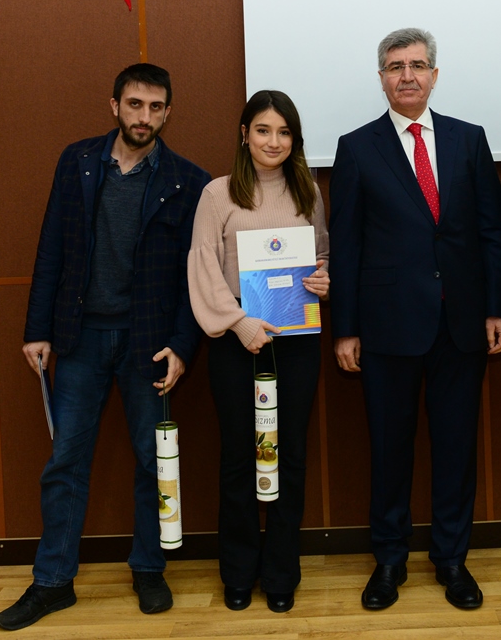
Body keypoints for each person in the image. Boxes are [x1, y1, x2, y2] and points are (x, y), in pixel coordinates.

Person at [0, 63, 211, 631]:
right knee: (65, 461)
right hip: (80, 338)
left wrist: (182, 346)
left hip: (150, 344)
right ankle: (53, 582)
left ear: (168, 112)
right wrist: (36, 329)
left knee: (153, 462)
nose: (144, 116)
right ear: (114, 106)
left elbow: (195, 276)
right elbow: (51, 247)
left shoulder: (189, 181)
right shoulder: (77, 162)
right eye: (135, 104)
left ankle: (149, 569)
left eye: (156, 107)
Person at [330, 28, 501, 611]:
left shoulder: (468, 139)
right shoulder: (356, 148)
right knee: (390, 449)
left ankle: (452, 559)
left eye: (416, 65)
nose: (406, 75)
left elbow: (489, 232)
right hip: (386, 326)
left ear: (434, 74)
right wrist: (346, 328)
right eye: (395, 66)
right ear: (381, 78)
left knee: (456, 448)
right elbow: (347, 246)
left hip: (461, 323)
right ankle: (389, 560)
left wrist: (496, 307)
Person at [188, 90, 329, 614]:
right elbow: (203, 266)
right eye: (264, 130)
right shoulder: (217, 195)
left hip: (297, 346)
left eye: (284, 132)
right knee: (238, 459)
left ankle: (281, 573)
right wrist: (240, 323)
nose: (274, 142)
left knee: (289, 455)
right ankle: (239, 572)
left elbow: (321, 255)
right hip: (236, 344)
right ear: (244, 134)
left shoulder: (308, 191)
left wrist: (324, 280)